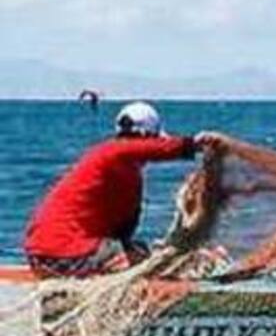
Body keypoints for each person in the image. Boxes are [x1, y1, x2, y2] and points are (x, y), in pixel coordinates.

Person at [24, 101, 223, 279]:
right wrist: (196, 145)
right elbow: (156, 149)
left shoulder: (119, 169)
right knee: (150, 261)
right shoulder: (113, 152)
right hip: (63, 255)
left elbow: (123, 233)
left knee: (141, 253)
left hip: (40, 257)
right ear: (147, 136)